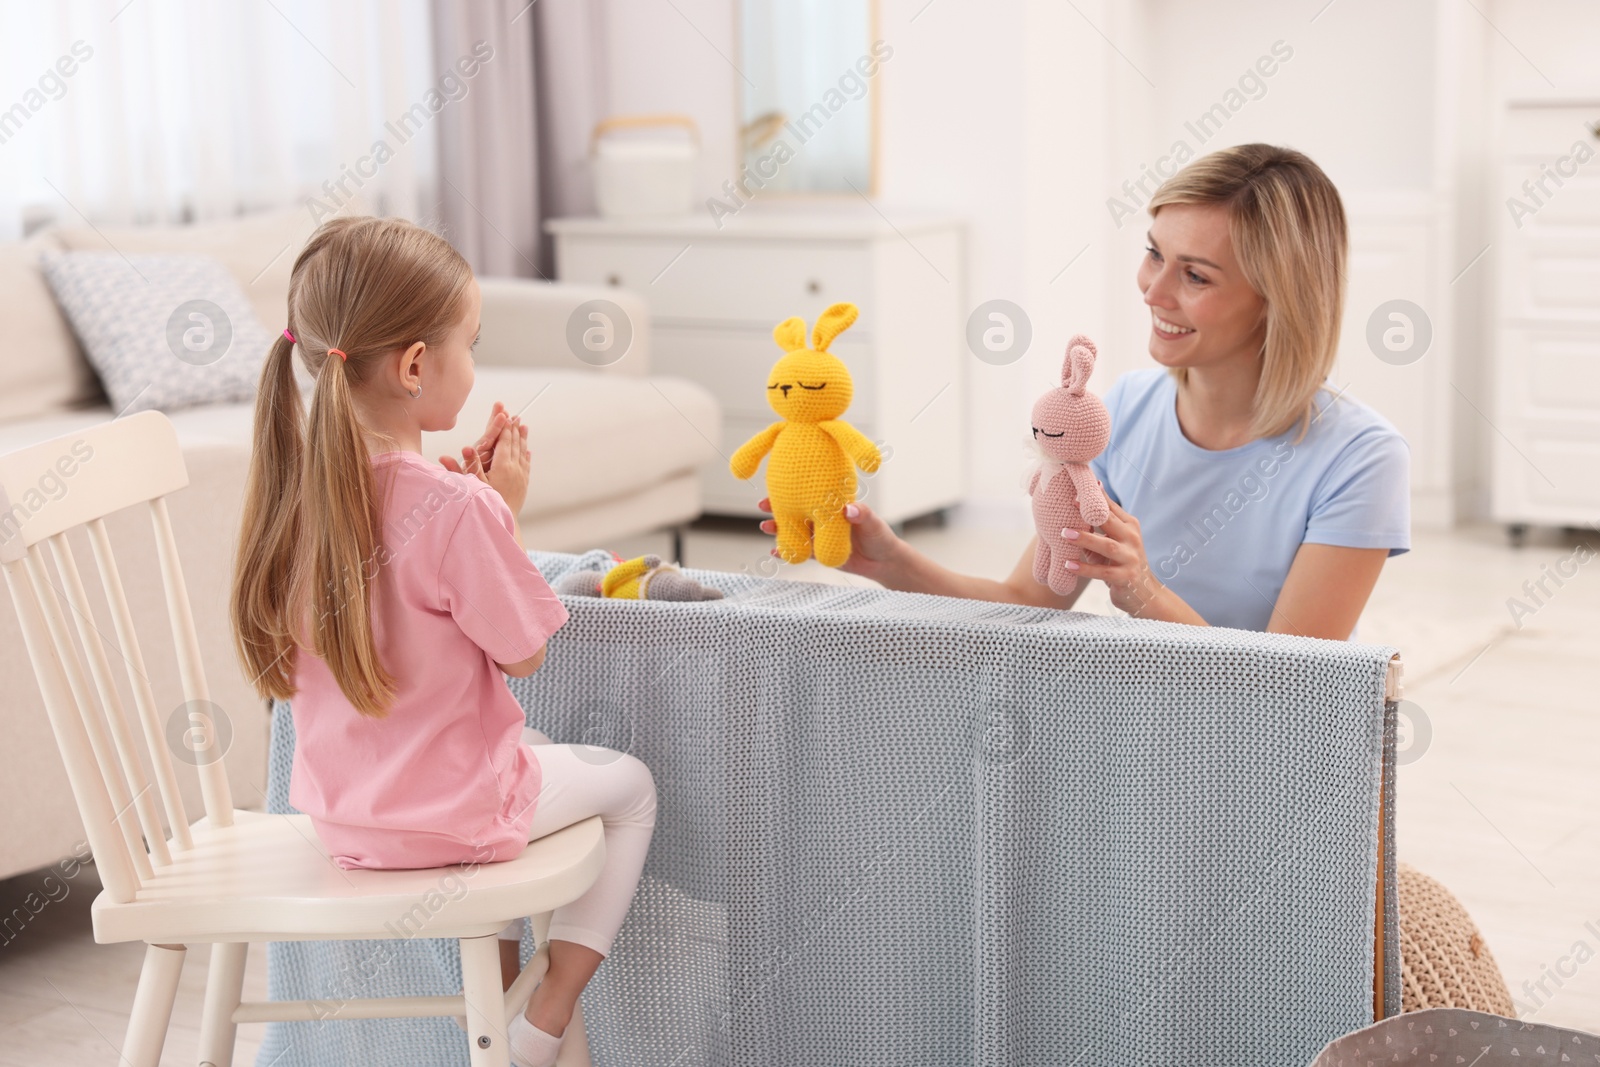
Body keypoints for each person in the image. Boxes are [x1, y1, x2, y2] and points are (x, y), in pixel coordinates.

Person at [230, 215, 654, 1067]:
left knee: (523, 745)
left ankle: (489, 1012)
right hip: (452, 817)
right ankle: (544, 1009)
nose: (473, 360)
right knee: (630, 786)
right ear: (417, 366)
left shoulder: (292, 492)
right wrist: (500, 514)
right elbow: (524, 649)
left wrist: (474, 515)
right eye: (470, 341)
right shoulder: (457, 508)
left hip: (342, 818)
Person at [762, 143, 1410, 640]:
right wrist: (890, 561)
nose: (1153, 290)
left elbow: (1290, 689)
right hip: (1144, 735)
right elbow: (1030, 602)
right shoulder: (1123, 410)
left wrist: (1142, 591)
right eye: (1156, 253)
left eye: (1197, 276)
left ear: (1279, 301)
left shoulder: (1360, 458)